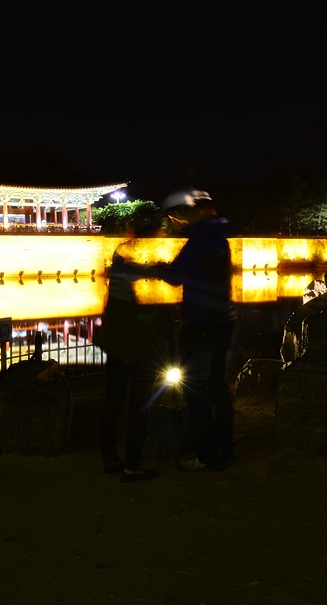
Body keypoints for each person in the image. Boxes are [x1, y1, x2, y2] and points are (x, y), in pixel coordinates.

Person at [156, 187, 238, 473]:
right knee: (218, 388)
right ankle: (225, 449)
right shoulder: (220, 237)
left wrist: (157, 269)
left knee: (194, 390)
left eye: (180, 215)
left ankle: (205, 455)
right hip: (224, 319)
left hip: (201, 322)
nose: (178, 220)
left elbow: (176, 277)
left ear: (192, 212)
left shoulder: (199, 238)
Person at [96, 209, 173, 485]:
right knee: (140, 403)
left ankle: (109, 458)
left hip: (115, 340)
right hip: (135, 344)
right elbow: (150, 292)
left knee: (114, 400)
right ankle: (132, 466)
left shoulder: (121, 253)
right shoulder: (134, 258)